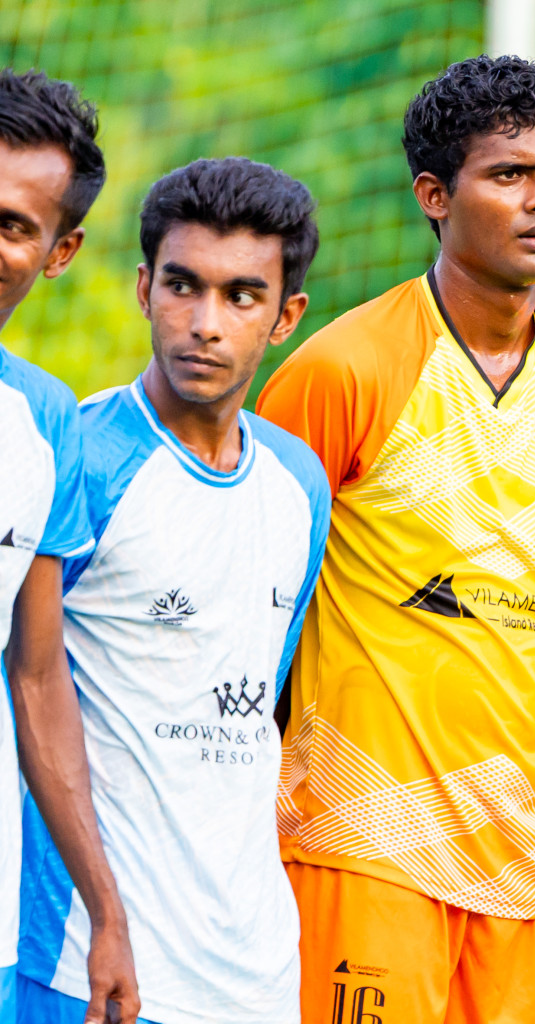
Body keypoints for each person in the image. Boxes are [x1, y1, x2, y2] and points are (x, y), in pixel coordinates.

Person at [256, 55, 535, 1024]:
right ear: (435, 193)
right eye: (510, 175)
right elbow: (253, 613)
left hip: (519, 868)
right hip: (358, 845)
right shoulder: (341, 368)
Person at [16, 157, 329, 1024]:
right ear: (143, 287)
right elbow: (29, 684)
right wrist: (107, 918)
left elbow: (259, 702)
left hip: (257, 972)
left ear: (285, 317)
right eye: (182, 287)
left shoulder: (300, 484)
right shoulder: (74, 454)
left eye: (240, 296)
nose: (204, 323)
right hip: (89, 962)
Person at [0, 68, 139, 1024]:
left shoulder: (46, 422)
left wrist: (106, 910)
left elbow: (39, 675)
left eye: (14, 224)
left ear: (59, 252)